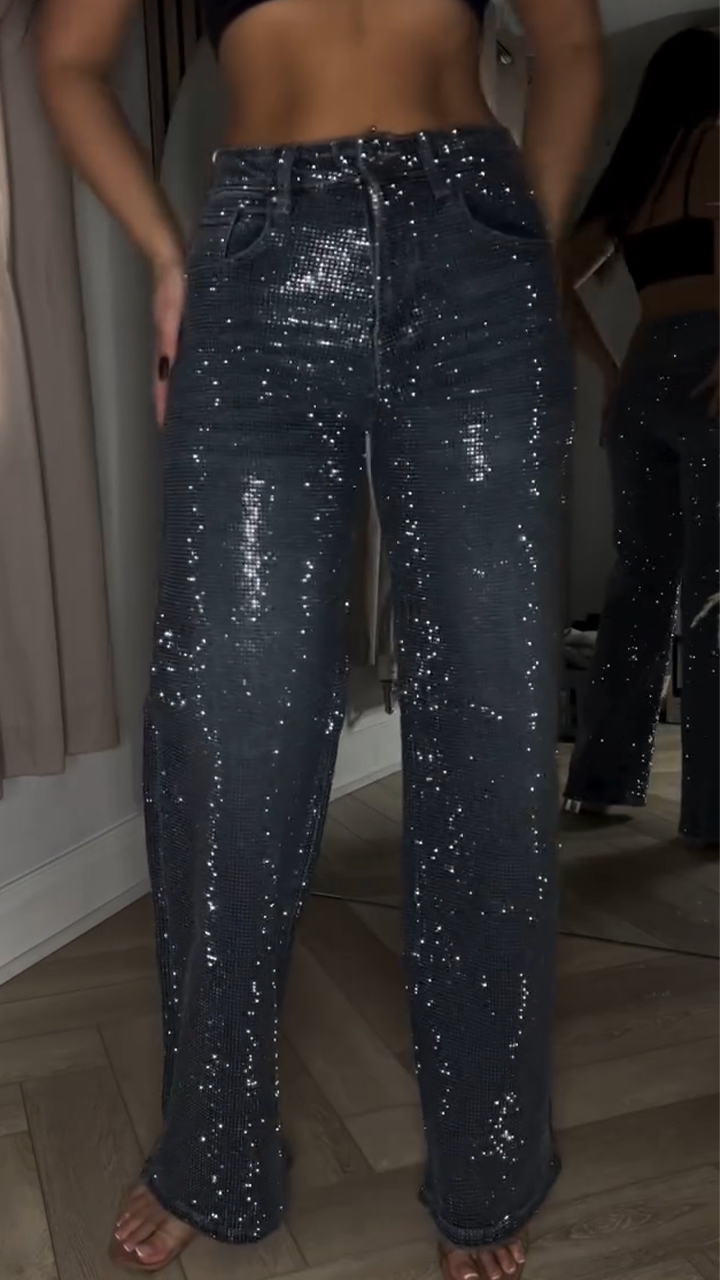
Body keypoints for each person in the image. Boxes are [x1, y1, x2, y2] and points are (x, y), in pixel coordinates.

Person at [37, 0, 602, 1275]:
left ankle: (490, 1161)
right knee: (228, 736)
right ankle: (214, 1150)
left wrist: (529, 239)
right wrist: (169, 260)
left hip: (478, 244)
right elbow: (67, 61)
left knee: (494, 731)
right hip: (257, 262)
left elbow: (568, 47)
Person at [562, 28, 719, 849]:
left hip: (644, 377)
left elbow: (553, 275)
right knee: (713, 592)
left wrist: (610, 369)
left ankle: (601, 781)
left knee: (640, 587)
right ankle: (713, 813)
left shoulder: (637, 175)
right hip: (709, 375)